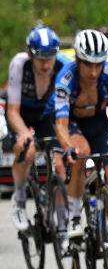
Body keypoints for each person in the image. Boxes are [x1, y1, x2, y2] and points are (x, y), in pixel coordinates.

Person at [52, 30, 108, 236]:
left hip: (99, 126)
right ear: (77, 60)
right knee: (80, 153)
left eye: (98, 64)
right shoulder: (66, 78)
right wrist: (68, 147)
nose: (94, 72)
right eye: (88, 64)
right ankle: (75, 216)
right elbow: (60, 123)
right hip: (74, 125)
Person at [7, 26, 70, 231]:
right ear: (29, 54)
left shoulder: (64, 65)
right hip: (21, 111)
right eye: (41, 58)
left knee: (60, 165)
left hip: (46, 113)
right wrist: (24, 133)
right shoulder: (19, 64)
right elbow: (13, 110)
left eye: (50, 58)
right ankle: (19, 197)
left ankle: (62, 223)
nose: (46, 64)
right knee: (27, 150)